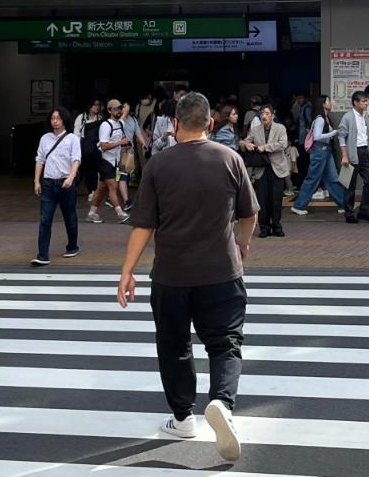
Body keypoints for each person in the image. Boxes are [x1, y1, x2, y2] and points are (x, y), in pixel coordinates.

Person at [118, 92, 258, 464]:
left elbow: (143, 225)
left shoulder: (159, 166)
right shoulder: (230, 158)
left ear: (175, 124)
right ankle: (222, 404)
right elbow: (249, 214)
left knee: (174, 344)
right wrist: (242, 245)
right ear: (211, 124)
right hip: (222, 272)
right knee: (225, 343)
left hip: (171, 274)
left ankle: (182, 417)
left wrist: (127, 271)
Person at [32, 106, 82, 267]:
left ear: (64, 120)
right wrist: (36, 181)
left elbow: (76, 160)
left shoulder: (72, 138)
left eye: (58, 118)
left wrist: (71, 177)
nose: (55, 121)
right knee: (45, 219)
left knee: (70, 218)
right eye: (53, 118)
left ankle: (72, 246)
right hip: (48, 183)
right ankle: (42, 255)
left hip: (66, 183)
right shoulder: (45, 138)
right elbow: (40, 160)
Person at [290, 95, 346, 216]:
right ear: (323, 104)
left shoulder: (325, 118)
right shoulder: (320, 119)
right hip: (320, 151)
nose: (330, 103)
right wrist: (334, 132)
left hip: (326, 151)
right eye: (328, 101)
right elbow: (317, 136)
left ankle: (344, 204)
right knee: (313, 178)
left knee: (332, 179)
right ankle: (299, 205)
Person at [243, 104, 289, 237]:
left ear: (272, 116)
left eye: (267, 113)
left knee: (276, 199)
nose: (264, 116)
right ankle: (264, 227)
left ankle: (276, 226)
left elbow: (283, 144)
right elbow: (244, 141)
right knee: (262, 199)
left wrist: (266, 147)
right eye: (262, 113)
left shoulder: (280, 128)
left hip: (277, 168)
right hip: (261, 168)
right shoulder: (256, 129)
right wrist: (247, 144)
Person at [88, 100, 131, 225]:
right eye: (116, 108)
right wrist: (120, 143)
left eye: (120, 108)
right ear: (109, 111)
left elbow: (126, 111)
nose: (119, 111)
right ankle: (120, 213)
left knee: (101, 188)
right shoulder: (106, 125)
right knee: (113, 185)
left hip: (114, 160)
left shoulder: (120, 123)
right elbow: (104, 146)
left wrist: (125, 145)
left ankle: (92, 213)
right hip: (104, 159)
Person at [338, 91, 369, 223]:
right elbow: (341, 136)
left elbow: (367, 136)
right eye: (364, 101)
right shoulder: (347, 117)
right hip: (353, 153)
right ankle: (349, 213)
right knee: (350, 185)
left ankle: (364, 210)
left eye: (366, 101)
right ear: (355, 102)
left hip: (365, 152)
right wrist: (344, 156)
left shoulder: (366, 116)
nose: (366, 103)